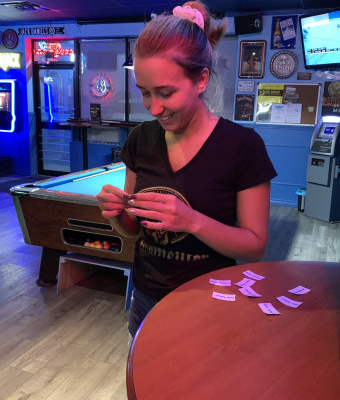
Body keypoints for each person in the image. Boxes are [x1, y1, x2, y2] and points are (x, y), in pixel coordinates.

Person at [97, 0, 277, 338]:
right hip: (145, 297)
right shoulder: (140, 139)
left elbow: (255, 246)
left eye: (165, 93)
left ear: (201, 80)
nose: (154, 108)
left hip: (210, 300)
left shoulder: (243, 146)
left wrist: (191, 220)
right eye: (145, 93)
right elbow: (133, 228)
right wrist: (116, 212)